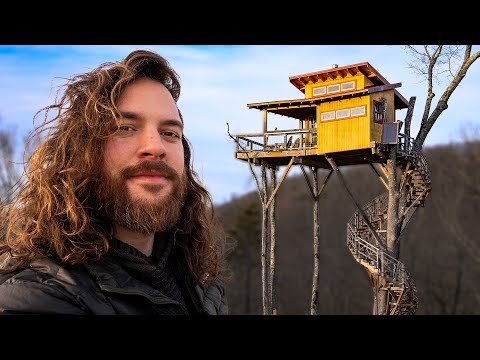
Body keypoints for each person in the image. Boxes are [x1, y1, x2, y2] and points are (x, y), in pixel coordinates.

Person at [0, 49, 229, 315]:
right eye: (125, 128)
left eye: (169, 133)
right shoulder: (38, 297)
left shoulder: (202, 285)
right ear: (81, 152)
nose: (155, 147)